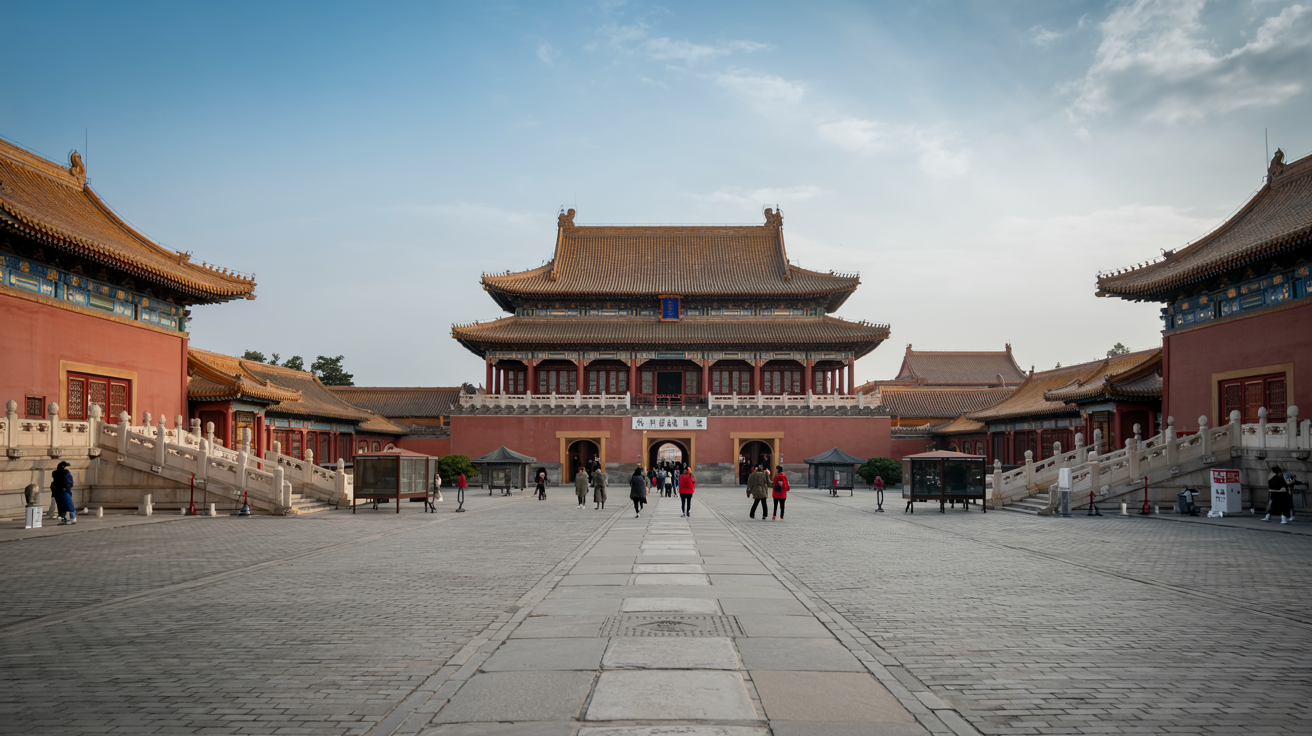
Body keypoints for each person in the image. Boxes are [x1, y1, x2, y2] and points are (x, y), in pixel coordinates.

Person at [51, 461, 75, 525]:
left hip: (58, 491)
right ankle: (71, 518)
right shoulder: (65, 473)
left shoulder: (55, 473)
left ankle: (63, 517)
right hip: (63, 491)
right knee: (68, 504)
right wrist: (66, 487)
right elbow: (69, 482)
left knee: (61, 505)